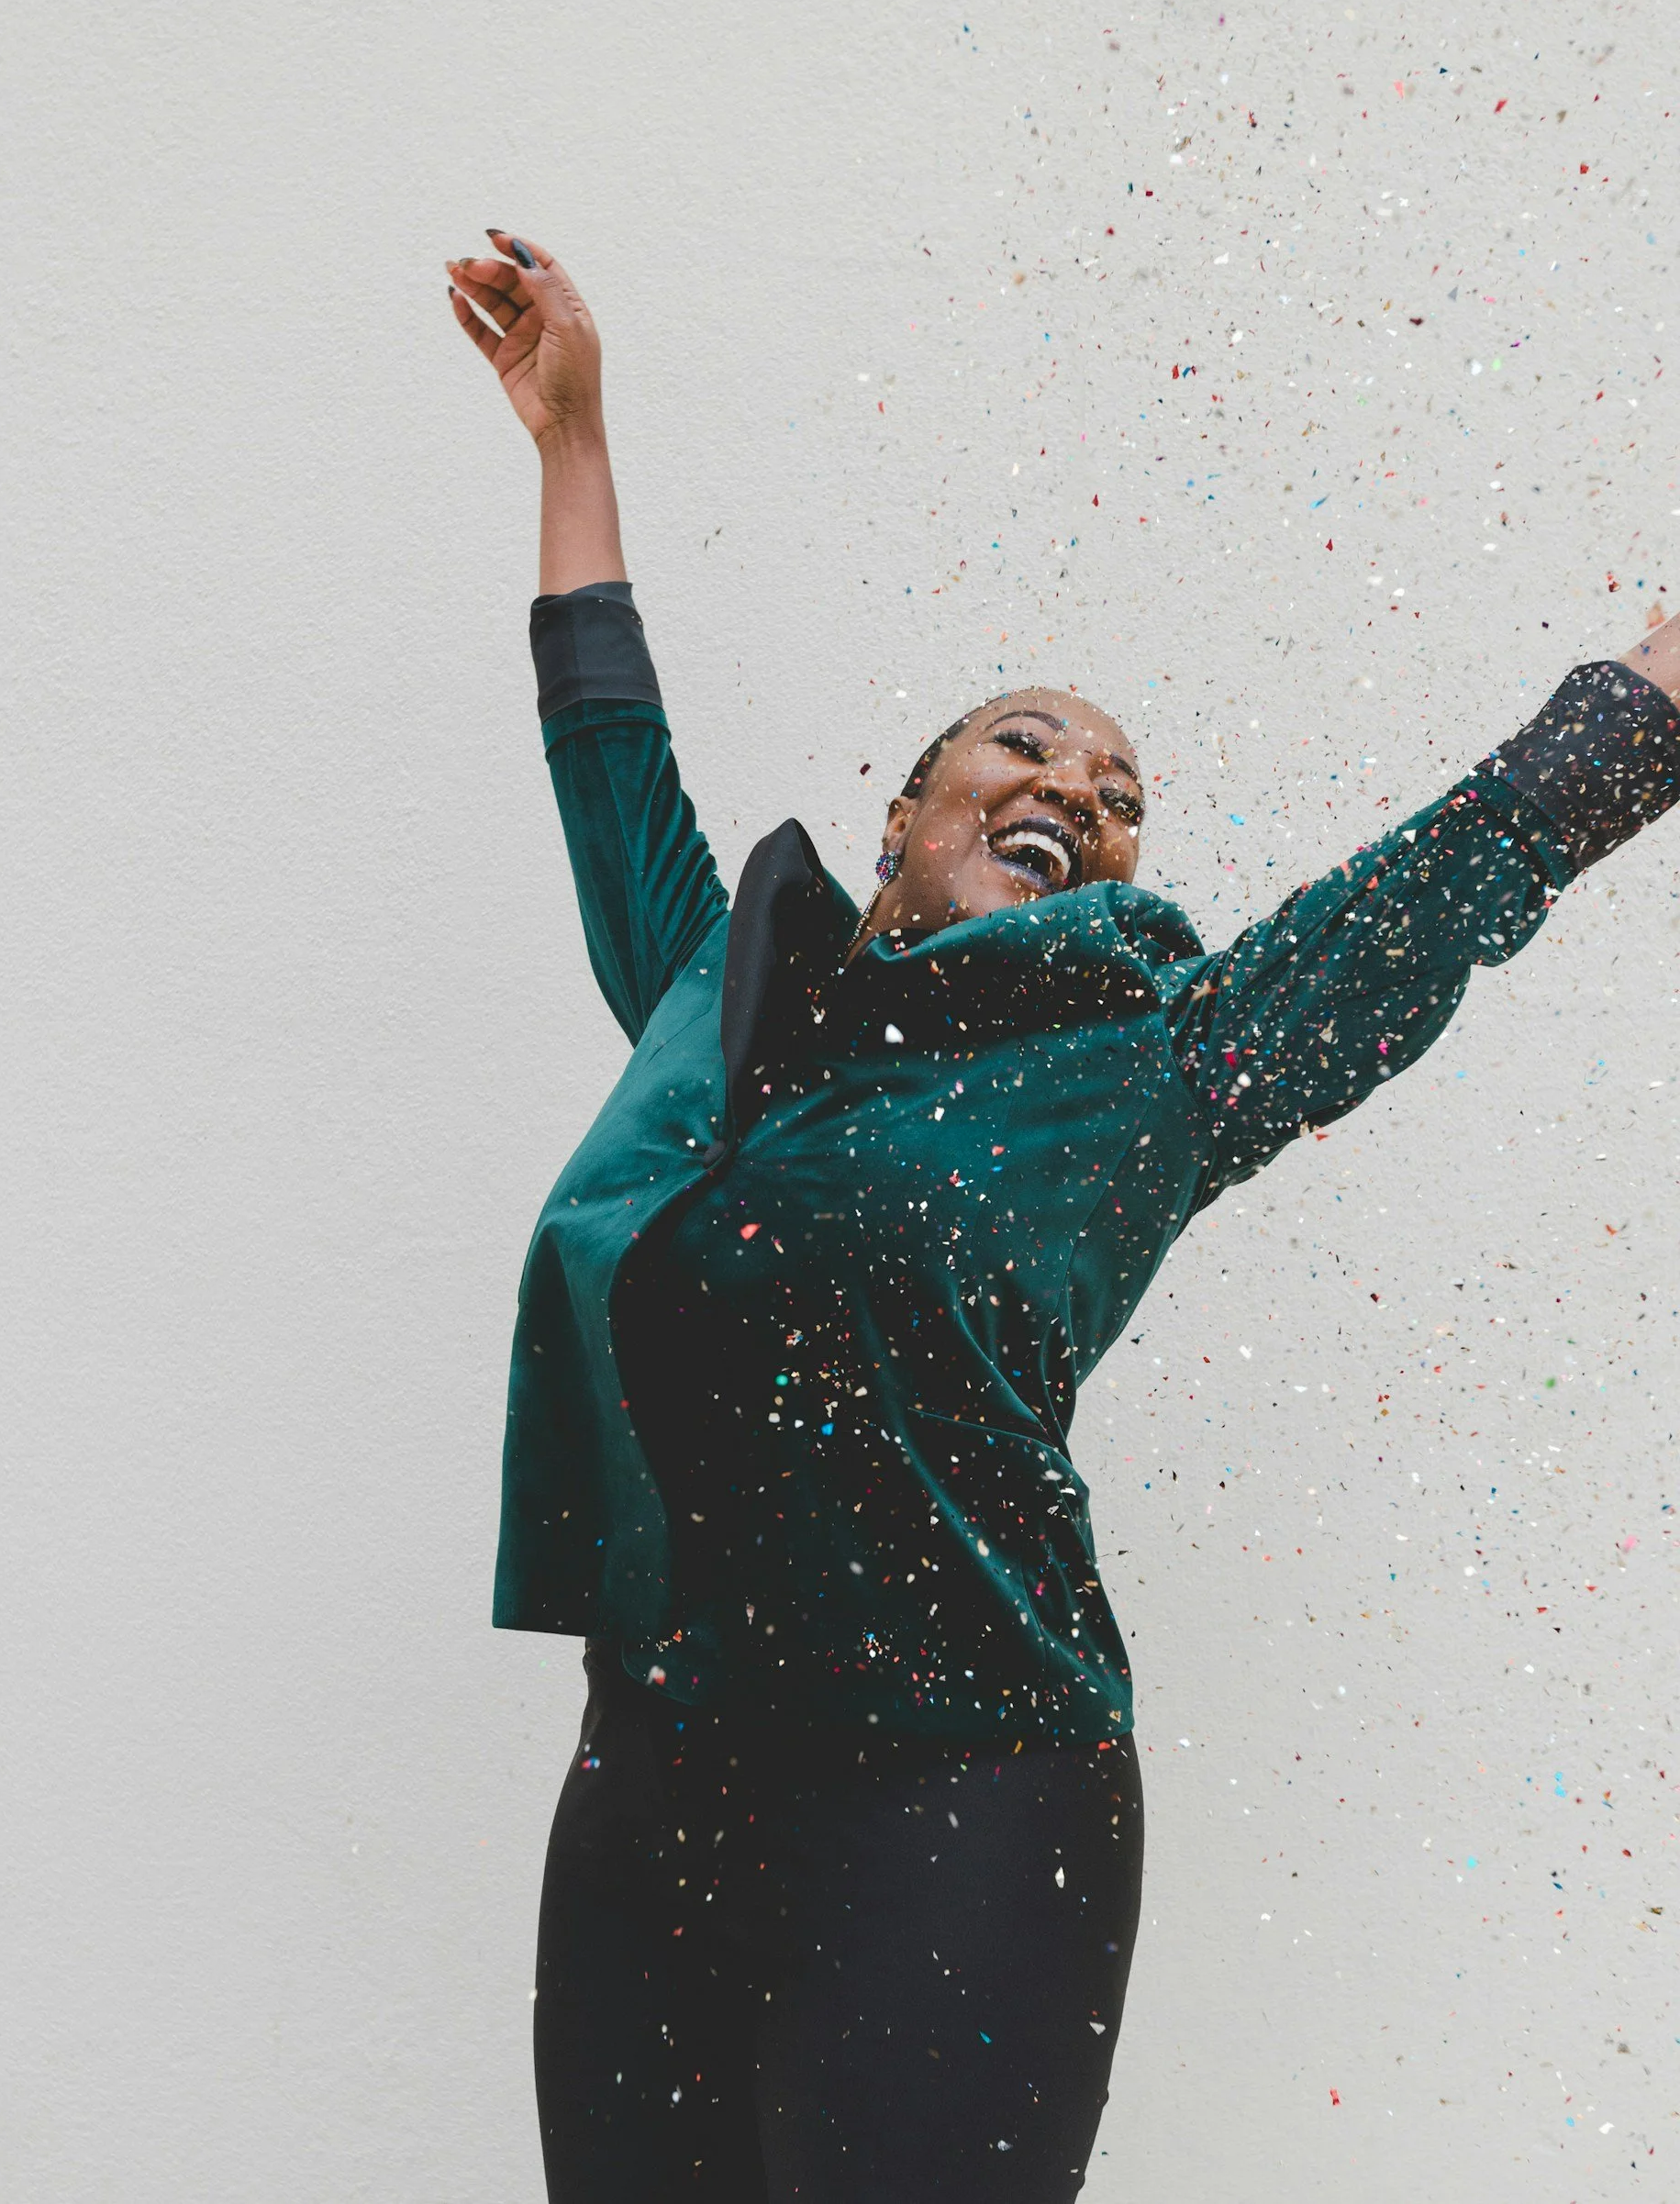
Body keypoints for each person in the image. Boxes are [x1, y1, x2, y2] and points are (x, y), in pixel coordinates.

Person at [447, 228, 1680, 2202]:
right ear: (905, 812)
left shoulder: (1149, 1068)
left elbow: (1428, 895)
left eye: (1119, 792)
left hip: (961, 1799)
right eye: (1025, 742)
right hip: (655, 1780)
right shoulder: (720, 1002)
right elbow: (609, 757)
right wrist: (570, 436)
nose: (1080, 789)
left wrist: (1656, 686)